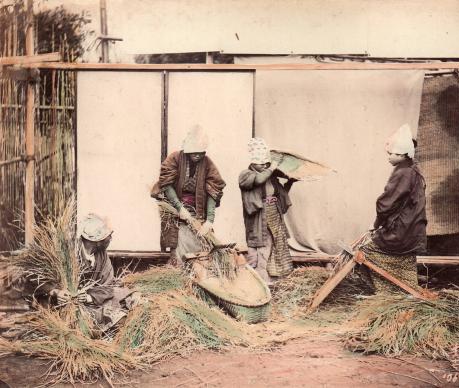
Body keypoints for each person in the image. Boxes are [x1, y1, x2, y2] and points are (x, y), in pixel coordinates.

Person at [360, 124, 427, 294]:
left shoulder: (403, 172)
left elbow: (385, 205)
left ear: (404, 155)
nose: (388, 157)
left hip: (402, 232)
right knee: (399, 258)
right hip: (412, 231)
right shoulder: (413, 168)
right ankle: (403, 291)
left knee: (366, 251)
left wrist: (376, 224)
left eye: (392, 154)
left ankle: (387, 293)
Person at [151, 125, 226, 264]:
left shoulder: (208, 163)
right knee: (179, 245)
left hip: (198, 211)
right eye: (193, 152)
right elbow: (166, 184)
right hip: (177, 210)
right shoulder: (175, 158)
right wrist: (179, 208)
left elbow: (213, 190)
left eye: (200, 152)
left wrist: (209, 220)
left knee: (200, 242)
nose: (197, 155)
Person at [50, 214, 138, 330]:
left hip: (91, 301)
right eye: (108, 236)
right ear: (98, 240)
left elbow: (108, 285)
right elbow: (45, 281)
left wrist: (89, 297)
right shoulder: (67, 252)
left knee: (125, 298)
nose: (110, 239)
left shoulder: (102, 255)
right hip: (67, 305)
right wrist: (57, 292)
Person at [239, 138, 296, 285]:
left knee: (273, 250)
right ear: (252, 162)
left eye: (266, 163)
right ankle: (255, 283)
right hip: (259, 218)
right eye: (260, 163)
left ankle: (271, 282)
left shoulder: (271, 176)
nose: (264, 166)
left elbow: (280, 195)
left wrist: (290, 182)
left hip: (274, 216)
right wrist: (271, 168)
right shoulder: (246, 175)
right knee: (257, 249)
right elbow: (258, 181)